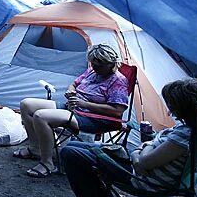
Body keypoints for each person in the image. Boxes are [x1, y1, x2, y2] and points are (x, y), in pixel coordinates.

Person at [60, 78, 197, 197]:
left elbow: (143, 164)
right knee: (75, 145)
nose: (169, 110)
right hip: (144, 169)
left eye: (172, 105)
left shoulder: (184, 137)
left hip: (144, 179)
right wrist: (147, 147)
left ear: (183, 108)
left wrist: (141, 149)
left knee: (70, 153)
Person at [12, 44, 128, 178]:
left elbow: (117, 111)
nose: (95, 68)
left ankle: (47, 163)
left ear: (111, 64)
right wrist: (71, 92)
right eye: (93, 64)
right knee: (26, 104)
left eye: (99, 65)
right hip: (74, 107)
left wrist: (84, 104)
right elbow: (75, 84)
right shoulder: (93, 71)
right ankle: (35, 148)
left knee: (41, 116)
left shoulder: (118, 81)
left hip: (92, 117)